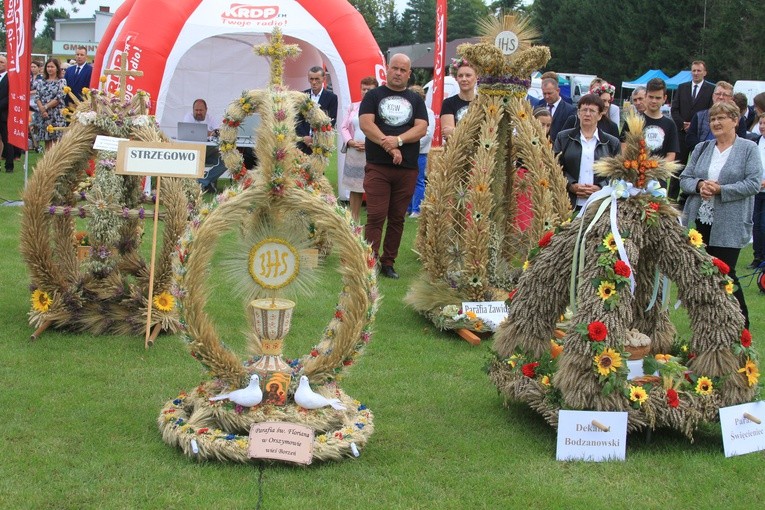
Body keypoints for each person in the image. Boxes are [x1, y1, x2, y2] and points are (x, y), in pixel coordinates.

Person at [680, 101, 761, 328]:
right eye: (713, 119)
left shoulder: (748, 148)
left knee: (726, 274)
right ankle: (709, 325)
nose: (716, 122)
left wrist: (721, 190)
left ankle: (740, 326)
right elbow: (684, 179)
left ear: (735, 121)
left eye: (721, 118)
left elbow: (754, 183)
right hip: (699, 223)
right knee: (701, 277)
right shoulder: (701, 148)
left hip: (729, 223)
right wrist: (700, 185)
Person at [359, 53, 428, 279]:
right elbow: (366, 124)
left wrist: (398, 141)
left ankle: (388, 262)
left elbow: (421, 128)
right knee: (376, 215)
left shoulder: (416, 100)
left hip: (407, 168)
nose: (398, 73)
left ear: (409, 74)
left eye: (403, 70)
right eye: (395, 68)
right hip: (378, 165)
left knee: (397, 217)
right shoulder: (374, 96)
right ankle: (370, 261)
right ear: (387, 69)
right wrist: (389, 146)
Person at [554, 94, 620, 209]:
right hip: (568, 202)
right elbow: (555, 166)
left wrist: (601, 187)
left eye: (592, 111)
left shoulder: (611, 143)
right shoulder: (563, 138)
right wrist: (571, 185)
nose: (587, 114)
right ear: (578, 113)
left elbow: (618, 173)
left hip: (599, 204)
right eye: (584, 110)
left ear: (600, 115)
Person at [340, 76, 378, 223]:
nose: (366, 92)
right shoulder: (353, 107)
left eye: (370, 89)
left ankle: (372, 220)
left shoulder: (378, 109)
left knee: (372, 186)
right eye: (364, 89)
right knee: (354, 187)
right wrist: (350, 141)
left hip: (372, 152)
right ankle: (353, 219)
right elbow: (343, 127)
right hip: (354, 152)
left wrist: (369, 143)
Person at [621, 78, 679, 165]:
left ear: (664, 98)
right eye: (651, 97)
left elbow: (671, 155)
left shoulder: (670, 124)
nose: (654, 101)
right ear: (646, 96)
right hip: (634, 174)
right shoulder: (633, 121)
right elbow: (624, 148)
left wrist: (654, 167)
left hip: (657, 175)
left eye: (658, 98)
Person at [686, 81, 748, 154]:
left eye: (725, 95)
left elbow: (741, 140)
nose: (721, 97)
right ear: (713, 96)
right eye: (718, 94)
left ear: (731, 98)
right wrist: (703, 152)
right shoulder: (699, 116)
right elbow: (690, 137)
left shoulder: (737, 119)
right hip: (702, 155)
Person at [182, 99, 225, 193]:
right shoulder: (188, 117)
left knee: (226, 161)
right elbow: (187, 130)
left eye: (201, 110)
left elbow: (219, 132)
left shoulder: (211, 118)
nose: (198, 112)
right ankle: (207, 183)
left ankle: (201, 182)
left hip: (209, 152)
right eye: (196, 110)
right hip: (193, 153)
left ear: (206, 110)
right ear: (193, 110)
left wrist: (212, 133)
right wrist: (209, 133)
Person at [407, 85, 435, 218]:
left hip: (420, 152)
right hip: (407, 150)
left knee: (418, 180)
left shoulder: (428, 112)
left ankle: (417, 209)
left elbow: (428, 134)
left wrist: (413, 146)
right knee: (406, 180)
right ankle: (408, 207)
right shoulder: (409, 111)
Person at [296, 66, 338, 154]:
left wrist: (317, 137)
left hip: (321, 141)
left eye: (317, 79)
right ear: (308, 79)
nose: (314, 82)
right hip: (302, 143)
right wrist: (305, 137)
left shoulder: (332, 98)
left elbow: (332, 119)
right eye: (311, 79)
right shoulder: (302, 96)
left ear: (323, 79)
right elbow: (297, 119)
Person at [33, 58, 67, 153]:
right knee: (47, 140)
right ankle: (47, 162)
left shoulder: (61, 81)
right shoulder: (41, 81)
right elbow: (37, 97)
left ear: (57, 68)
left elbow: (59, 97)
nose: (49, 69)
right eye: (48, 66)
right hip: (44, 115)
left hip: (57, 115)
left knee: (57, 140)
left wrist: (46, 107)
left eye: (52, 66)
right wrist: (42, 110)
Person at [440, 58, 476, 140]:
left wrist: (454, 131)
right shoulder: (448, 103)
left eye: (468, 75)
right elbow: (447, 135)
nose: (464, 79)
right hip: (456, 151)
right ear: (456, 78)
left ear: (476, 77)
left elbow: (487, 134)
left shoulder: (483, 102)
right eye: (460, 76)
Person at [749, 113, 765, 269]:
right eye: (760, 123)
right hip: (756, 190)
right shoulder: (754, 142)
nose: (762, 126)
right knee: (756, 225)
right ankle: (757, 256)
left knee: (764, 224)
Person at [0, 55, 15, 173]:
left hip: (4, 114)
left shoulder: (10, 78)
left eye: (2, 62)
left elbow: (10, 96)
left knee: (7, 140)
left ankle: (9, 165)